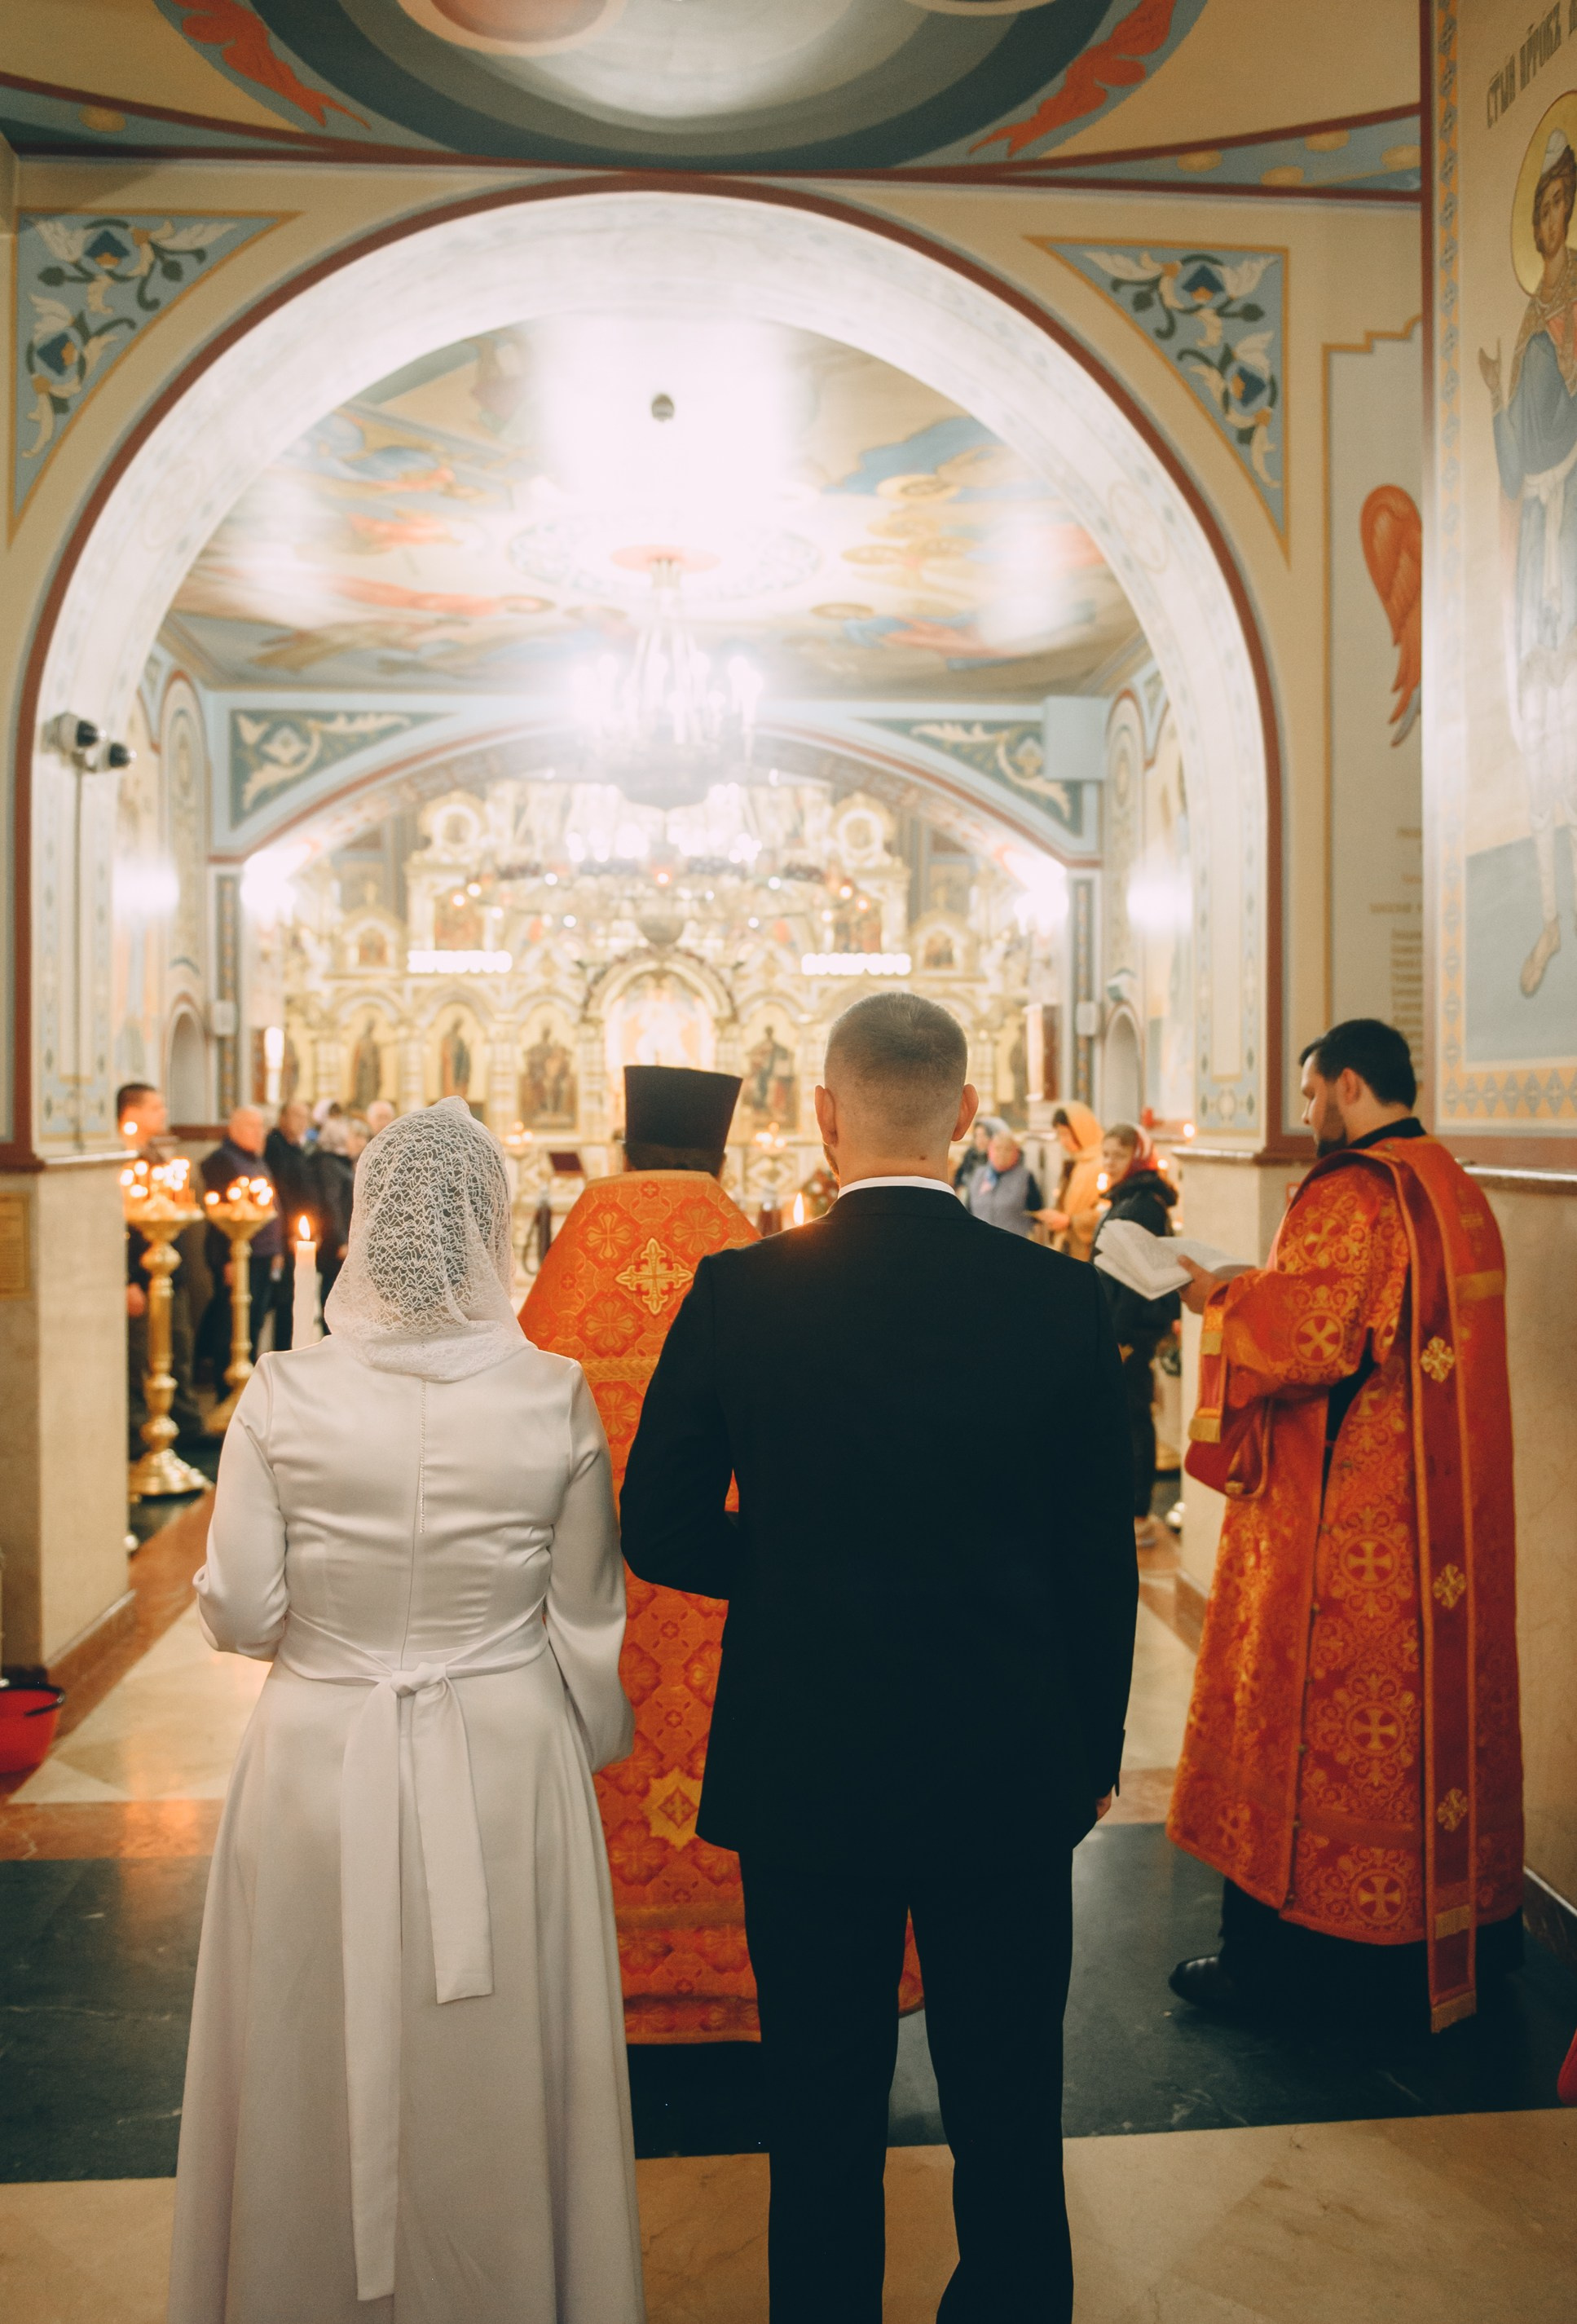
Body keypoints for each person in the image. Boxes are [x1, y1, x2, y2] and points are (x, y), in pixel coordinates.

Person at [620, 992, 1137, 2324]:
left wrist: (793, 1567)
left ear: (823, 1117)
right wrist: (1088, 1758)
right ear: (968, 1118)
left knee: (823, 2114)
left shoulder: (741, 1295)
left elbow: (660, 1524)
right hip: (1011, 1764)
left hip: (807, 1768)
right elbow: (1101, 1564)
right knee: (1011, 2112)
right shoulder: (1068, 1304)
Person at [166, 1100, 643, 2324]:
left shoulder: (282, 1389)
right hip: (502, 1749)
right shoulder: (550, 1392)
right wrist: (574, 1735)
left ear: (369, 1224)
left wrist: (334, 1641)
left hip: (319, 1751)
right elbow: (588, 1614)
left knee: (303, 2037)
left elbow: (241, 1610)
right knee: (494, 2056)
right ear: (492, 1228)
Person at [1168, 1019, 1524, 2031]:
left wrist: (1219, 1297)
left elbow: (1312, 1340)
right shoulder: (1453, 1184)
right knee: (1427, 1738)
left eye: (1314, 1091)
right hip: (1445, 1532)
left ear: (1350, 1084)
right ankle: (1469, 1935)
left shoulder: (1355, 1190)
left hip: (1348, 1536)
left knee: (1320, 1729)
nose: (1309, 1111)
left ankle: (1289, 1969)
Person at [520, 1065, 812, 2041]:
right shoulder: (757, 1261)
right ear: (720, 1152)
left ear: (625, 1147)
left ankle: (607, 1980)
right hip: (739, 1602)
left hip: (597, 1600)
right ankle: (742, 1975)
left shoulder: (573, 1265)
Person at [1092, 1123, 1180, 1549]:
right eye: (1105, 1153)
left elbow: (1132, 1278)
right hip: (1114, 1325)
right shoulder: (1128, 1197)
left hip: (1128, 1330)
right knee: (1120, 1416)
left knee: (1133, 1417)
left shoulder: (1144, 1204)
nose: (1108, 1161)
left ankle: (1139, 1511)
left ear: (1137, 1156)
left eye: (1117, 1154)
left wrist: (1121, 1337)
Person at [119, 1079, 203, 1453]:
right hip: (141, 1277)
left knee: (178, 1351)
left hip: (171, 1273)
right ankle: (143, 1431)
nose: (164, 1113)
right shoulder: (122, 1159)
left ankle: (184, 1426)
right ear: (132, 1112)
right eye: (155, 1107)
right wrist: (125, 1280)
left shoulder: (154, 1154)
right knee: (145, 1358)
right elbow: (118, 1229)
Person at [196, 1106, 282, 1384]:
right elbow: (224, 1217)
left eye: (263, 1127)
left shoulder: (256, 1159)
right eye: (253, 1127)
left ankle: (248, 1385)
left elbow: (271, 1207)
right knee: (232, 1326)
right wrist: (227, 1260)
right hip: (237, 1256)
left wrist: (277, 1248)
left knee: (254, 1322)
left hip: (263, 1254)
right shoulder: (221, 1162)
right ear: (234, 1129)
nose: (261, 1134)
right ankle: (227, 1388)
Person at [262, 1099, 315, 1353]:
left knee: (294, 1300)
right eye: (296, 1116)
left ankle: (291, 1351)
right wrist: (290, 1233)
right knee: (283, 1301)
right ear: (282, 1117)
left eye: (306, 1117)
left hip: (299, 1235)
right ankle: (283, 1353)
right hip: (283, 1238)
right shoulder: (274, 1147)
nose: (302, 1122)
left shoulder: (297, 1148)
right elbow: (282, 1194)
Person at [311, 1113, 363, 1316]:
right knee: (333, 1292)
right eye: (353, 1136)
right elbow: (332, 1203)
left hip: (343, 1239)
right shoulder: (329, 1164)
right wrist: (342, 1240)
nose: (359, 1142)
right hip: (334, 1242)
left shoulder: (341, 1163)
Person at [965, 1125, 1049, 1237]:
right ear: (990, 1151)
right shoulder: (978, 1175)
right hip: (980, 1241)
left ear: (1016, 1153)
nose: (1002, 1153)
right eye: (998, 1148)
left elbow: (1037, 1217)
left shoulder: (1025, 1177)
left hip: (1014, 1244)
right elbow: (968, 1211)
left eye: (1007, 1149)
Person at [1045, 1101, 1104, 1259]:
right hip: (1068, 1246)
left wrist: (1071, 1221)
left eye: (1066, 1133)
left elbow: (1104, 1210)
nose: (1063, 1141)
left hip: (1089, 1251)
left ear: (1082, 1130)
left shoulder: (1103, 1163)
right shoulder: (1077, 1161)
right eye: (1059, 1135)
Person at [949, 1113, 1002, 1200]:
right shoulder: (970, 1155)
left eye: (984, 1135)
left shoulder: (997, 1157)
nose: (980, 1140)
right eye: (977, 1136)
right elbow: (960, 1179)